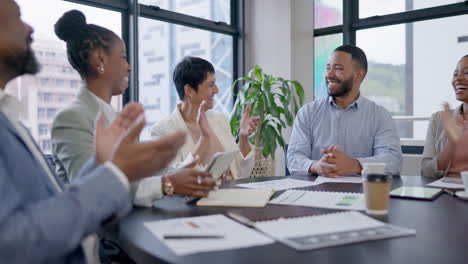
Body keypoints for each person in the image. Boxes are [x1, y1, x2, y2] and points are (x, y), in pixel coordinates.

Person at [0, 0, 190, 263]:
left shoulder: (9, 116)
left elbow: (69, 193)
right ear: (100, 59)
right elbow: (13, 241)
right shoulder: (72, 117)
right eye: (18, 16)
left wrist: (105, 165)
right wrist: (123, 172)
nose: (30, 27)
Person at [51, 10, 216, 208]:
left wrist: (183, 173)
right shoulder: (72, 118)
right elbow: (94, 189)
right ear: (100, 61)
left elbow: (143, 175)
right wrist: (168, 184)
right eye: (123, 57)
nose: (129, 67)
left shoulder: (113, 116)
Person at [287, 45, 402, 177]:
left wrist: (355, 165)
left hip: (362, 193)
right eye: (328, 68)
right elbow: (293, 157)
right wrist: (315, 166)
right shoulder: (307, 112)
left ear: (359, 75)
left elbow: (393, 161)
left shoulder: (380, 116)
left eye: (338, 69)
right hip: (317, 191)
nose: (329, 74)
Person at [151, 56, 260, 180]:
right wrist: (204, 139)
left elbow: (241, 173)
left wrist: (243, 137)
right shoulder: (162, 131)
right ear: (189, 90)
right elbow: (172, 180)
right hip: (197, 199)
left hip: (231, 195)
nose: (217, 90)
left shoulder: (220, 119)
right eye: (211, 85)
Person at [421, 55, 468, 177]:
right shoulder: (438, 119)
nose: (458, 79)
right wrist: (452, 143)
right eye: (455, 74)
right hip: (444, 192)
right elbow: (425, 172)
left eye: (466, 73)